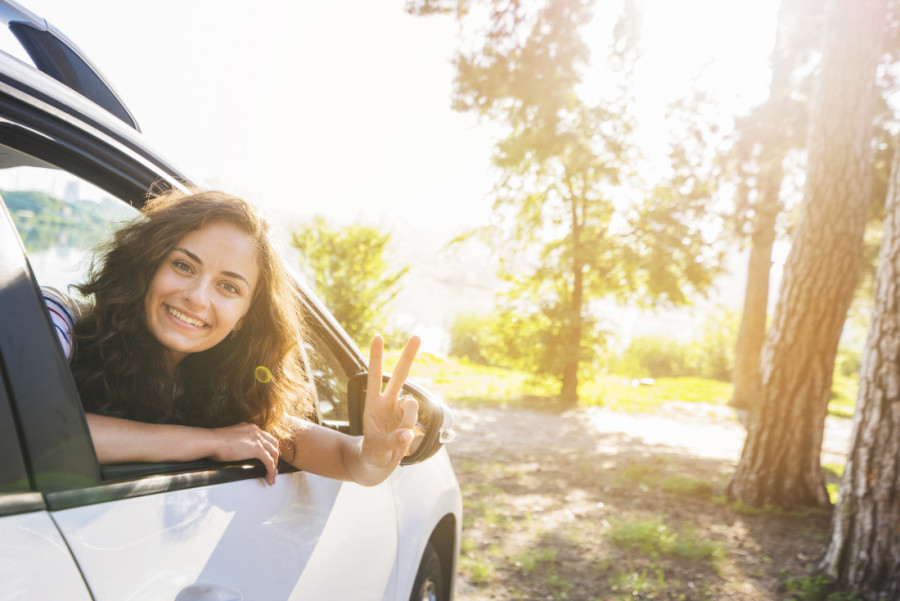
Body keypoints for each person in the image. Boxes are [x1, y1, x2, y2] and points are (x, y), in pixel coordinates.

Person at [49, 188, 420, 487]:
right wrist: (210, 442)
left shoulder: (231, 394)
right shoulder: (57, 321)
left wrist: (374, 454)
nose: (197, 296)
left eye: (228, 287)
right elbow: (38, 429)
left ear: (245, 317)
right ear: (148, 265)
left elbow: (347, 461)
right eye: (183, 265)